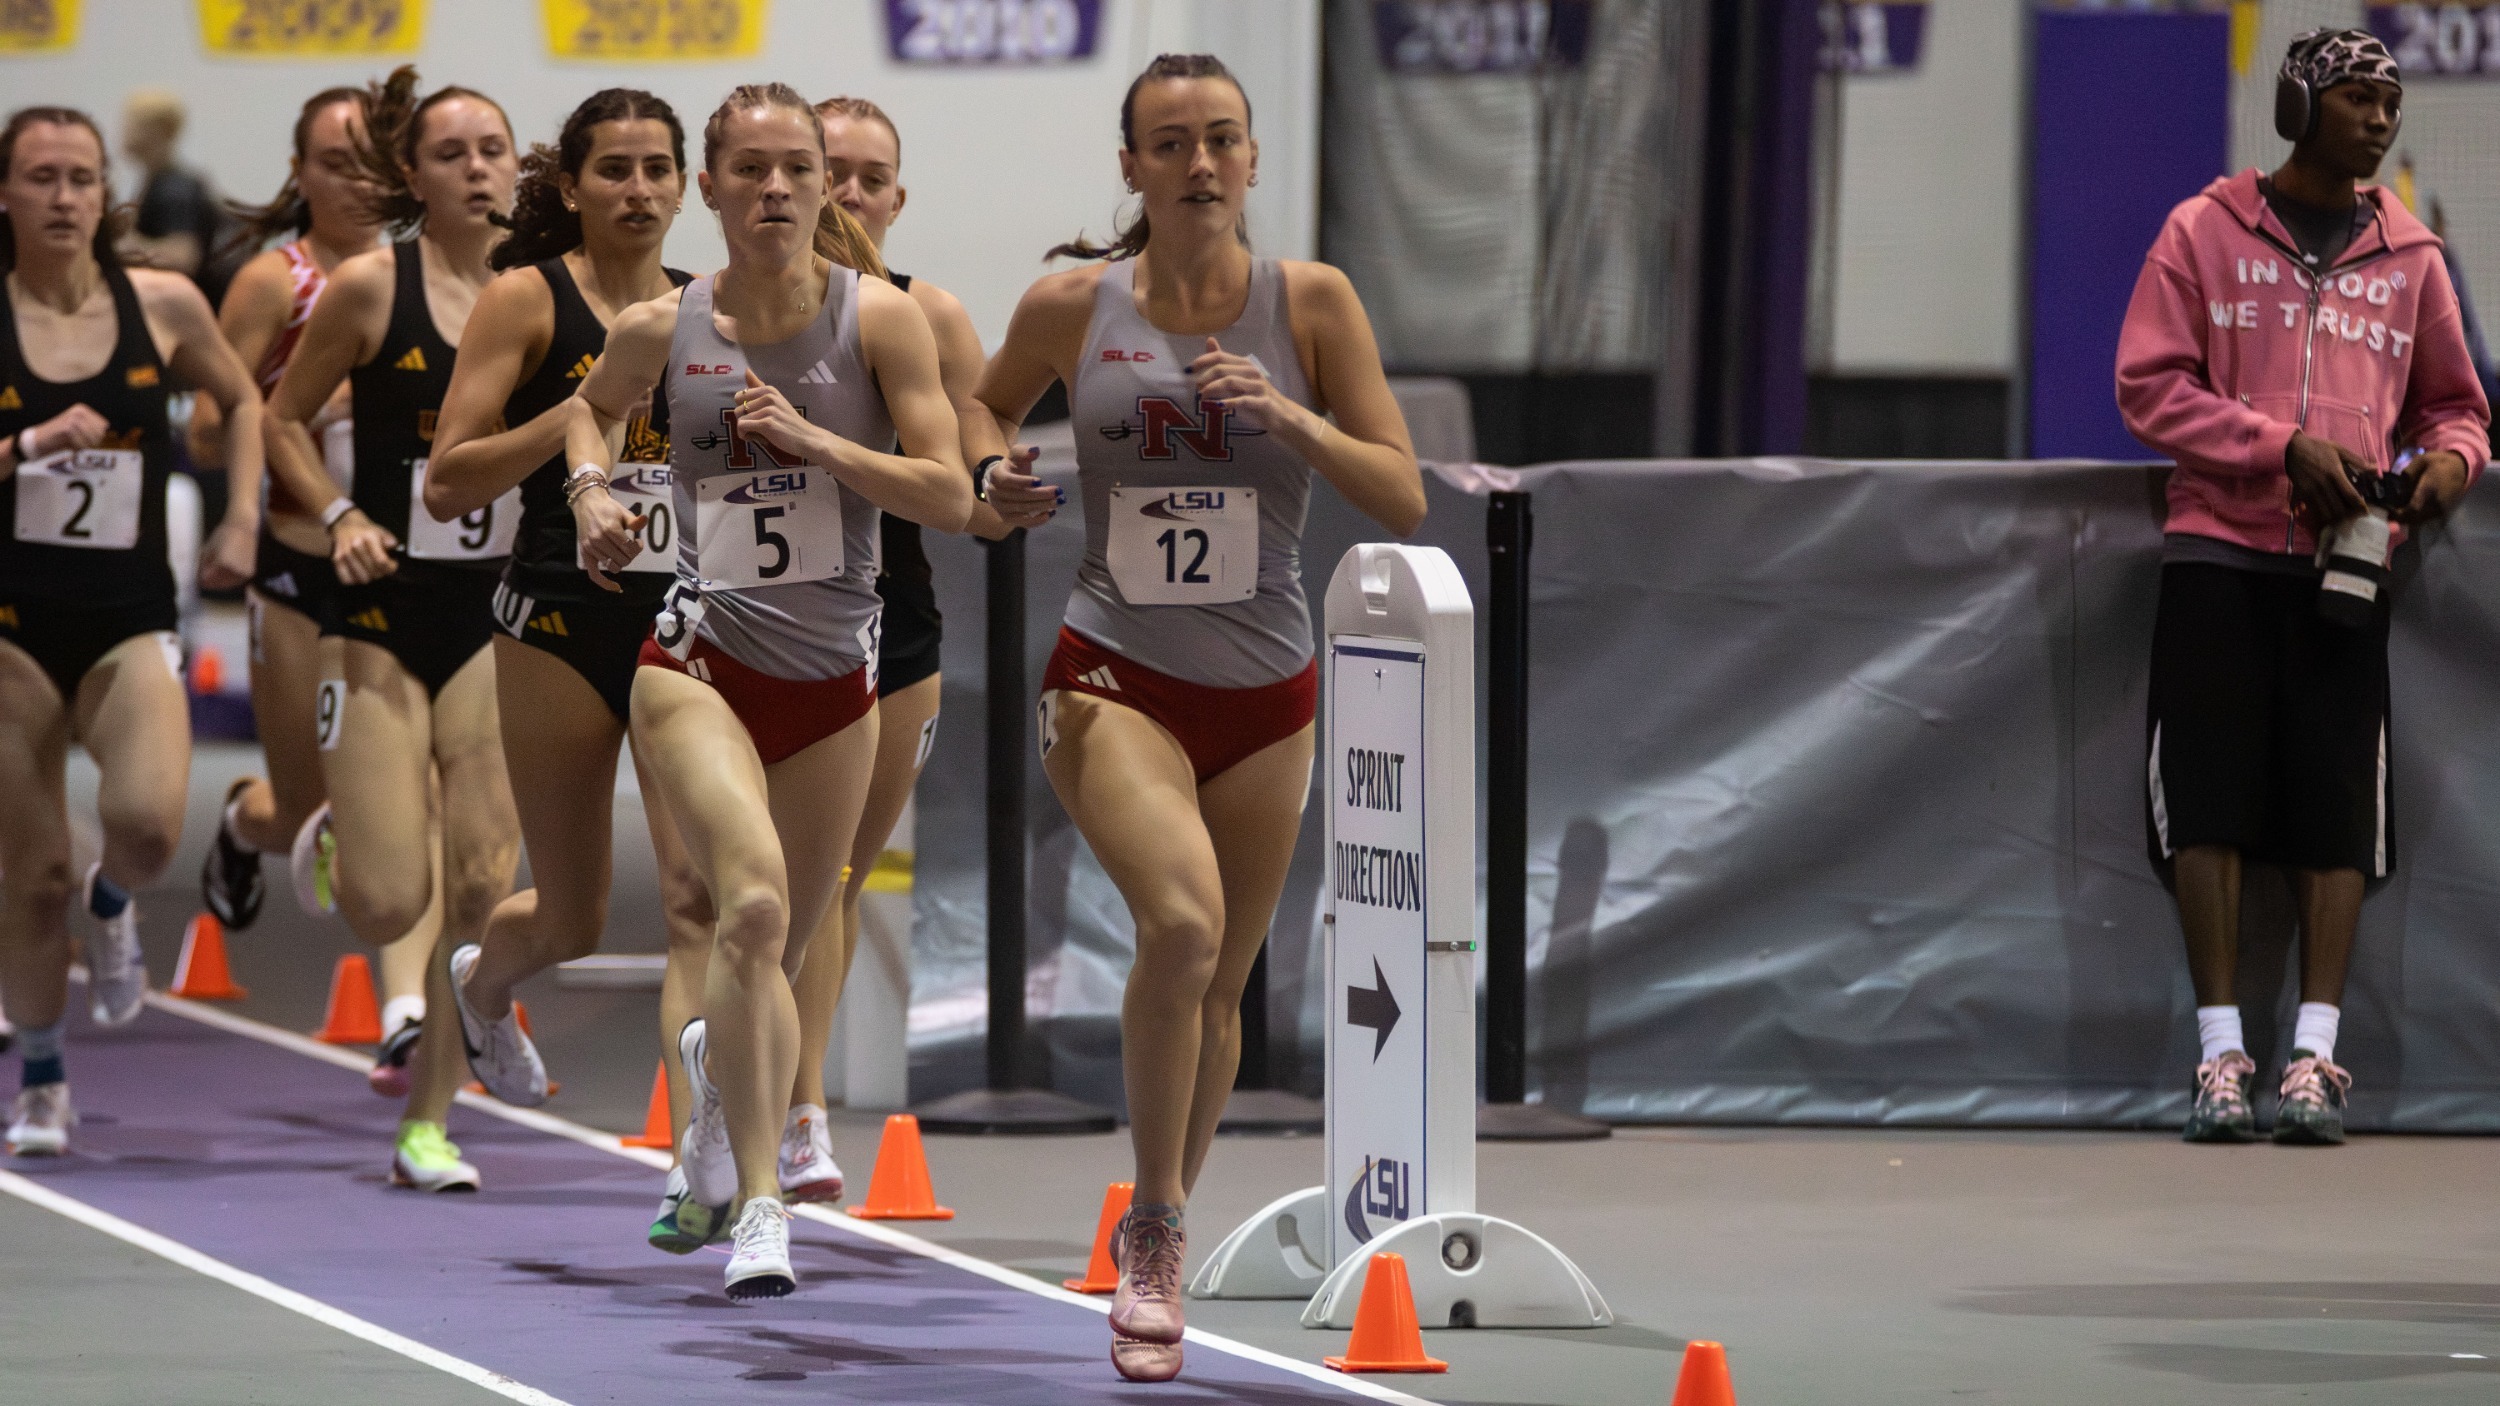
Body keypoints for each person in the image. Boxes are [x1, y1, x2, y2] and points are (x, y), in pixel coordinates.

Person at [972, 54, 1424, 1381]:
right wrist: (988, 464)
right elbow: (987, 402)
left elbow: (1399, 491)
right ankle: (1153, 1234)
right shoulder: (1073, 305)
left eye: (1223, 140)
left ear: (1254, 160)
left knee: (1220, 977)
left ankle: (1165, 1199)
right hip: (1115, 670)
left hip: (1272, 687)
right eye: (1171, 144)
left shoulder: (1313, 304)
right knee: (1181, 922)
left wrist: (1283, 410)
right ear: (1133, 168)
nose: (1202, 165)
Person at [561, 82, 970, 1298]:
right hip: (696, 663)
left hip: (835, 678)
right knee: (744, 912)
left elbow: (947, 496)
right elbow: (589, 416)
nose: (782, 189)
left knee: (780, 945)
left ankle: (710, 1085)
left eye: (800, 168)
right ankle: (761, 1207)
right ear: (712, 187)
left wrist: (821, 444)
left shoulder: (882, 324)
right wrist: (592, 492)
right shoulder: (662, 324)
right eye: (751, 169)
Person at [2117, 29, 2489, 1147]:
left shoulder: (2412, 257)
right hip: (2217, 553)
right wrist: (2275, 446)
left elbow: (2456, 406)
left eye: (2390, 99)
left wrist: (2452, 463)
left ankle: (2316, 1058)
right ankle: (2220, 1053)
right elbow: (2147, 386)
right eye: (2356, 98)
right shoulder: (2201, 232)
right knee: (2210, 801)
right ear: (2296, 107)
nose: (2380, 117)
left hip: (2349, 564)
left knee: (2335, 808)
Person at [424, 89, 718, 1248]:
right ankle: (485, 985)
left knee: (697, 897)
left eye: (658, 169)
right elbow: (449, 480)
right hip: (551, 617)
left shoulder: (710, 306)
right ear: (574, 185)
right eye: (615, 170)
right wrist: (585, 416)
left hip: (684, 620)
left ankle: (693, 1165)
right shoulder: (524, 297)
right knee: (577, 912)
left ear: (685, 184)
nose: (638, 190)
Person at [769, 94, 1047, 1205]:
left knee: (829, 877)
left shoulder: (925, 314)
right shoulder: (720, 310)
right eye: (824, 168)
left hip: (890, 624)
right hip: (747, 619)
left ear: (897, 197)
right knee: (744, 887)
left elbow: (976, 484)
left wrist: (997, 487)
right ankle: (762, 1092)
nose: (845, 193)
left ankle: (796, 1113)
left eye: (868, 176)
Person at [261, 68, 522, 1190]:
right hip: (374, 608)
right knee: (385, 896)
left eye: (494, 149)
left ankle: (430, 1119)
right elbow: (274, 421)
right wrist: (339, 512)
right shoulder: (370, 287)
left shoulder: (539, 292)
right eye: (452, 152)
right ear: (411, 177)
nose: (477, 168)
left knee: (476, 878)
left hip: (495, 616)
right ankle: (338, 827)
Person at [0, 105, 265, 1155]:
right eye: (41, 178)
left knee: (151, 824)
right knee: (29, 876)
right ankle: (44, 1077)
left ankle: (115, 904)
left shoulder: (158, 303)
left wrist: (242, 513)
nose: (64, 197)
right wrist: (24, 444)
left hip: (128, 612)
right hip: (11, 623)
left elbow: (243, 401)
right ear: (7, 195)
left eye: (80, 178)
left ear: (104, 192)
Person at [193, 93, 440, 1093]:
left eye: (376, 162)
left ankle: (406, 1010)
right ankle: (245, 821)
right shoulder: (274, 279)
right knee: (311, 801)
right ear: (301, 172)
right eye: (336, 163)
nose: (360, 182)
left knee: (411, 801)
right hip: (301, 568)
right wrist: (308, 404)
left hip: (400, 569)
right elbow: (209, 426)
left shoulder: (426, 278)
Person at [118, 90, 233, 303]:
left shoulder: (173, 189)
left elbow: (183, 257)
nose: (124, 132)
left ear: (161, 131)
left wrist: (124, 247)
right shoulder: (159, 181)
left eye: (134, 124)